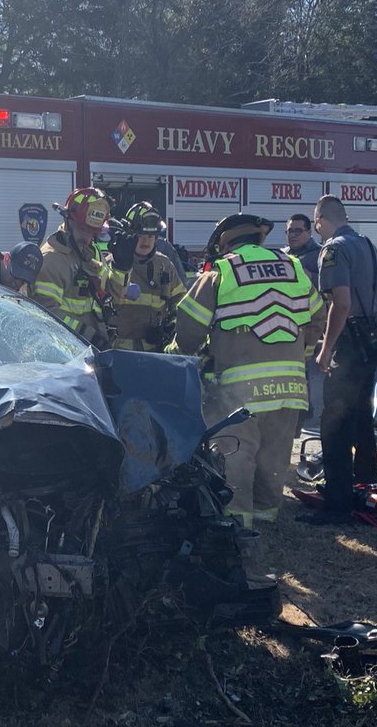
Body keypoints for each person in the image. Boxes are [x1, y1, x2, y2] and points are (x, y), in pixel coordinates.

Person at [169, 213, 324, 527]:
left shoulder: (221, 273)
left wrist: (175, 354)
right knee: (274, 459)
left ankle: (238, 530)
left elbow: (189, 332)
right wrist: (297, 356)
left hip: (239, 394)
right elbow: (318, 319)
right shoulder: (293, 268)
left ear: (225, 242)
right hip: (290, 388)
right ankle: (266, 517)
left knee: (235, 457)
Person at [304, 195, 377, 524]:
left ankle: (338, 504)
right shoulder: (368, 245)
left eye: (315, 222)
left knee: (334, 424)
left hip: (350, 344)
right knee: (359, 416)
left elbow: (339, 305)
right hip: (374, 341)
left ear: (321, 220)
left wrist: (326, 350)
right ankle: (369, 480)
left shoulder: (333, 250)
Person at [32, 187, 133, 349]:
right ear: (68, 222)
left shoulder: (92, 253)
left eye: (93, 233)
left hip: (89, 352)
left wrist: (122, 268)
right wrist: (88, 335)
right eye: (82, 230)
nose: (87, 238)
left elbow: (116, 300)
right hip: (64, 357)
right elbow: (46, 315)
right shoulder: (52, 260)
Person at [110, 205, 186, 351]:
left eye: (150, 236)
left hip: (154, 351)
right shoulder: (113, 264)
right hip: (118, 352)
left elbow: (181, 303)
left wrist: (170, 327)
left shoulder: (164, 265)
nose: (146, 241)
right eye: (141, 236)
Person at [285, 213, 324, 429]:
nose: (292, 235)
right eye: (289, 230)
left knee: (302, 368)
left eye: (297, 230)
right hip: (284, 322)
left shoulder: (319, 255)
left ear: (309, 232)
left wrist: (311, 277)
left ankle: (302, 410)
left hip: (309, 321)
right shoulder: (282, 255)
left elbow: (331, 284)